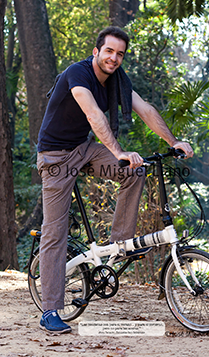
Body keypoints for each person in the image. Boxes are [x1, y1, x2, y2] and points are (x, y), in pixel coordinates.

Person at [37, 26, 193, 334]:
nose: (114, 58)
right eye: (109, 51)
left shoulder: (117, 80)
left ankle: (119, 242)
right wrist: (119, 151)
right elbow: (95, 116)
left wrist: (174, 141)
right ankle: (50, 310)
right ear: (96, 52)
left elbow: (146, 109)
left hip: (84, 149)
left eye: (120, 54)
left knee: (134, 170)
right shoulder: (77, 74)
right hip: (55, 156)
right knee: (55, 232)